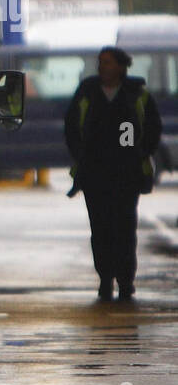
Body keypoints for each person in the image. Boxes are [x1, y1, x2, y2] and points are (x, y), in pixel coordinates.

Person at [64, 46, 162, 301]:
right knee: (100, 228)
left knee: (125, 228)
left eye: (107, 62)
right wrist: (81, 155)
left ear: (121, 66)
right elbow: (72, 126)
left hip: (127, 175)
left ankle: (125, 280)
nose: (101, 67)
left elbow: (152, 128)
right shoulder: (87, 92)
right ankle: (105, 278)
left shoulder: (137, 94)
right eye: (100, 62)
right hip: (94, 175)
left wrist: (139, 152)